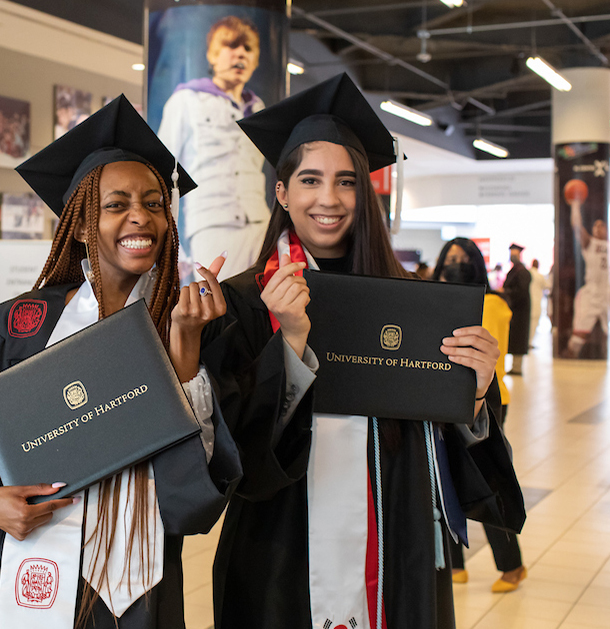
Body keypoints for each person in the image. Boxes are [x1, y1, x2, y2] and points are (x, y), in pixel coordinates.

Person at [201, 73, 524, 629]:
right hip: (281, 553)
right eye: (310, 180)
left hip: (396, 546)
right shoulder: (245, 302)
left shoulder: (412, 302)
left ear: (364, 193)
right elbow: (226, 457)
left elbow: (457, 463)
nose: (329, 199)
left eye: (347, 182)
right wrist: (291, 342)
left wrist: (471, 393)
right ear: (281, 192)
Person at [0, 96, 241, 629]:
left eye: (155, 202)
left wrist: (184, 355)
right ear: (82, 225)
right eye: (117, 204)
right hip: (30, 568)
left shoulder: (189, 322)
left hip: (141, 588)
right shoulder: (16, 327)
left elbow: (195, 499)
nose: (140, 215)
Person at [431, 238, 528, 593]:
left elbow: (489, 343)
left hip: (484, 396)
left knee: (482, 476)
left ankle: (512, 565)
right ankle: (455, 564)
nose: (455, 264)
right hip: (439, 393)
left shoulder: (495, 304)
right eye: (450, 259)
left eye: (463, 259)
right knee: (445, 475)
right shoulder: (432, 300)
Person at [157, 15, 269, 279]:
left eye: (248, 48)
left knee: (263, 312)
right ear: (212, 55)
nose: (240, 54)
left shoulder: (258, 109)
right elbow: (161, 174)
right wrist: (174, 249)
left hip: (260, 224)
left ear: (255, 60)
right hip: (213, 225)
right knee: (220, 311)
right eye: (231, 45)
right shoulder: (185, 100)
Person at [563, 214, 610, 358]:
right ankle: (571, 354)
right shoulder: (590, 243)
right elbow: (577, 226)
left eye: (601, 225)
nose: (598, 228)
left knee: (606, 331)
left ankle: (603, 357)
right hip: (591, 291)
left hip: (605, 293)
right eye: (595, 225)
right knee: (580, 331)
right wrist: (575, 205)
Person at [503, 244, 530, 374]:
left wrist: (507, 293)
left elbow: (521, 291)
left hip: (520, 310)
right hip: (514, 310)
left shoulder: (522, 272)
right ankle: (515, 366)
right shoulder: (514, 270)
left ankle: (517, 367)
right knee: (515, 338)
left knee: (519, 338)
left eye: (514, 254)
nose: (512, 257)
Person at [528, 259, 548, 348]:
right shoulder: (540, 276)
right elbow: (546, 286)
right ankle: (529, 342)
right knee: (534, 322)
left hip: (529, 302)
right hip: (536, 302)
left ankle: (527, 342)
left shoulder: (528, 273)